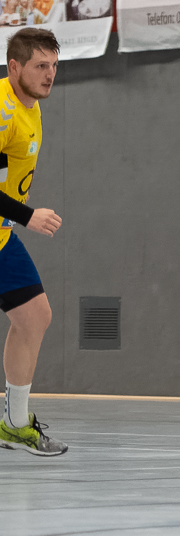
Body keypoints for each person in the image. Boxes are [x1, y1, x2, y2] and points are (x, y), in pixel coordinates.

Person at [0, 28, 66, 456]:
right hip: (8, 226)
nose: (50, 74)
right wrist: (28, 215)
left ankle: (14, 424)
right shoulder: (2, 109)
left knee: (34, 316)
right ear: (15, 67)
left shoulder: (30, 104)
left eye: (54, 66)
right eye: (41, 65)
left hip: (1, 235)